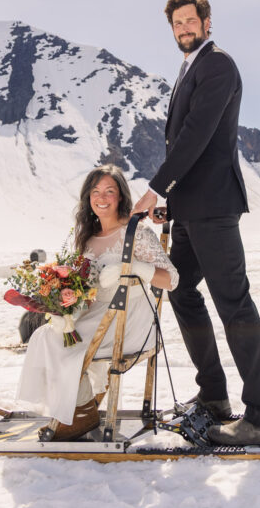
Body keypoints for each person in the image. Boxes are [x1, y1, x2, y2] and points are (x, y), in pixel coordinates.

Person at [132, 0, 260, 446]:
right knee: (179, 289)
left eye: (189, 21)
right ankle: (214, 396)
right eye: (176, 23)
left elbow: (196, 137)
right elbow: (188, 144)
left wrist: (156, 187)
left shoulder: (218, 65)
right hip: (190, 211)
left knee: (234, 304)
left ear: (207, 23)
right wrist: (170, 205)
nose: (183, 29)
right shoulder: (189, 68)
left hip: (215, 209)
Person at [16, 164, 177, 440]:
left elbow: (172, 280)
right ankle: (82, 410)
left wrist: (136, 268)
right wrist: (61, 306)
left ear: (121, 197)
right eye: (95, 191)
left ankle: (79, 414)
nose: (102, 197)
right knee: (47, 334)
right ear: (88, 199)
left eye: (110, 191)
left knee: (58, 342)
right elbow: (85, 288)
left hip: (132, 317)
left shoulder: (136, 233)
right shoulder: (87, 238)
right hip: (99, 314)